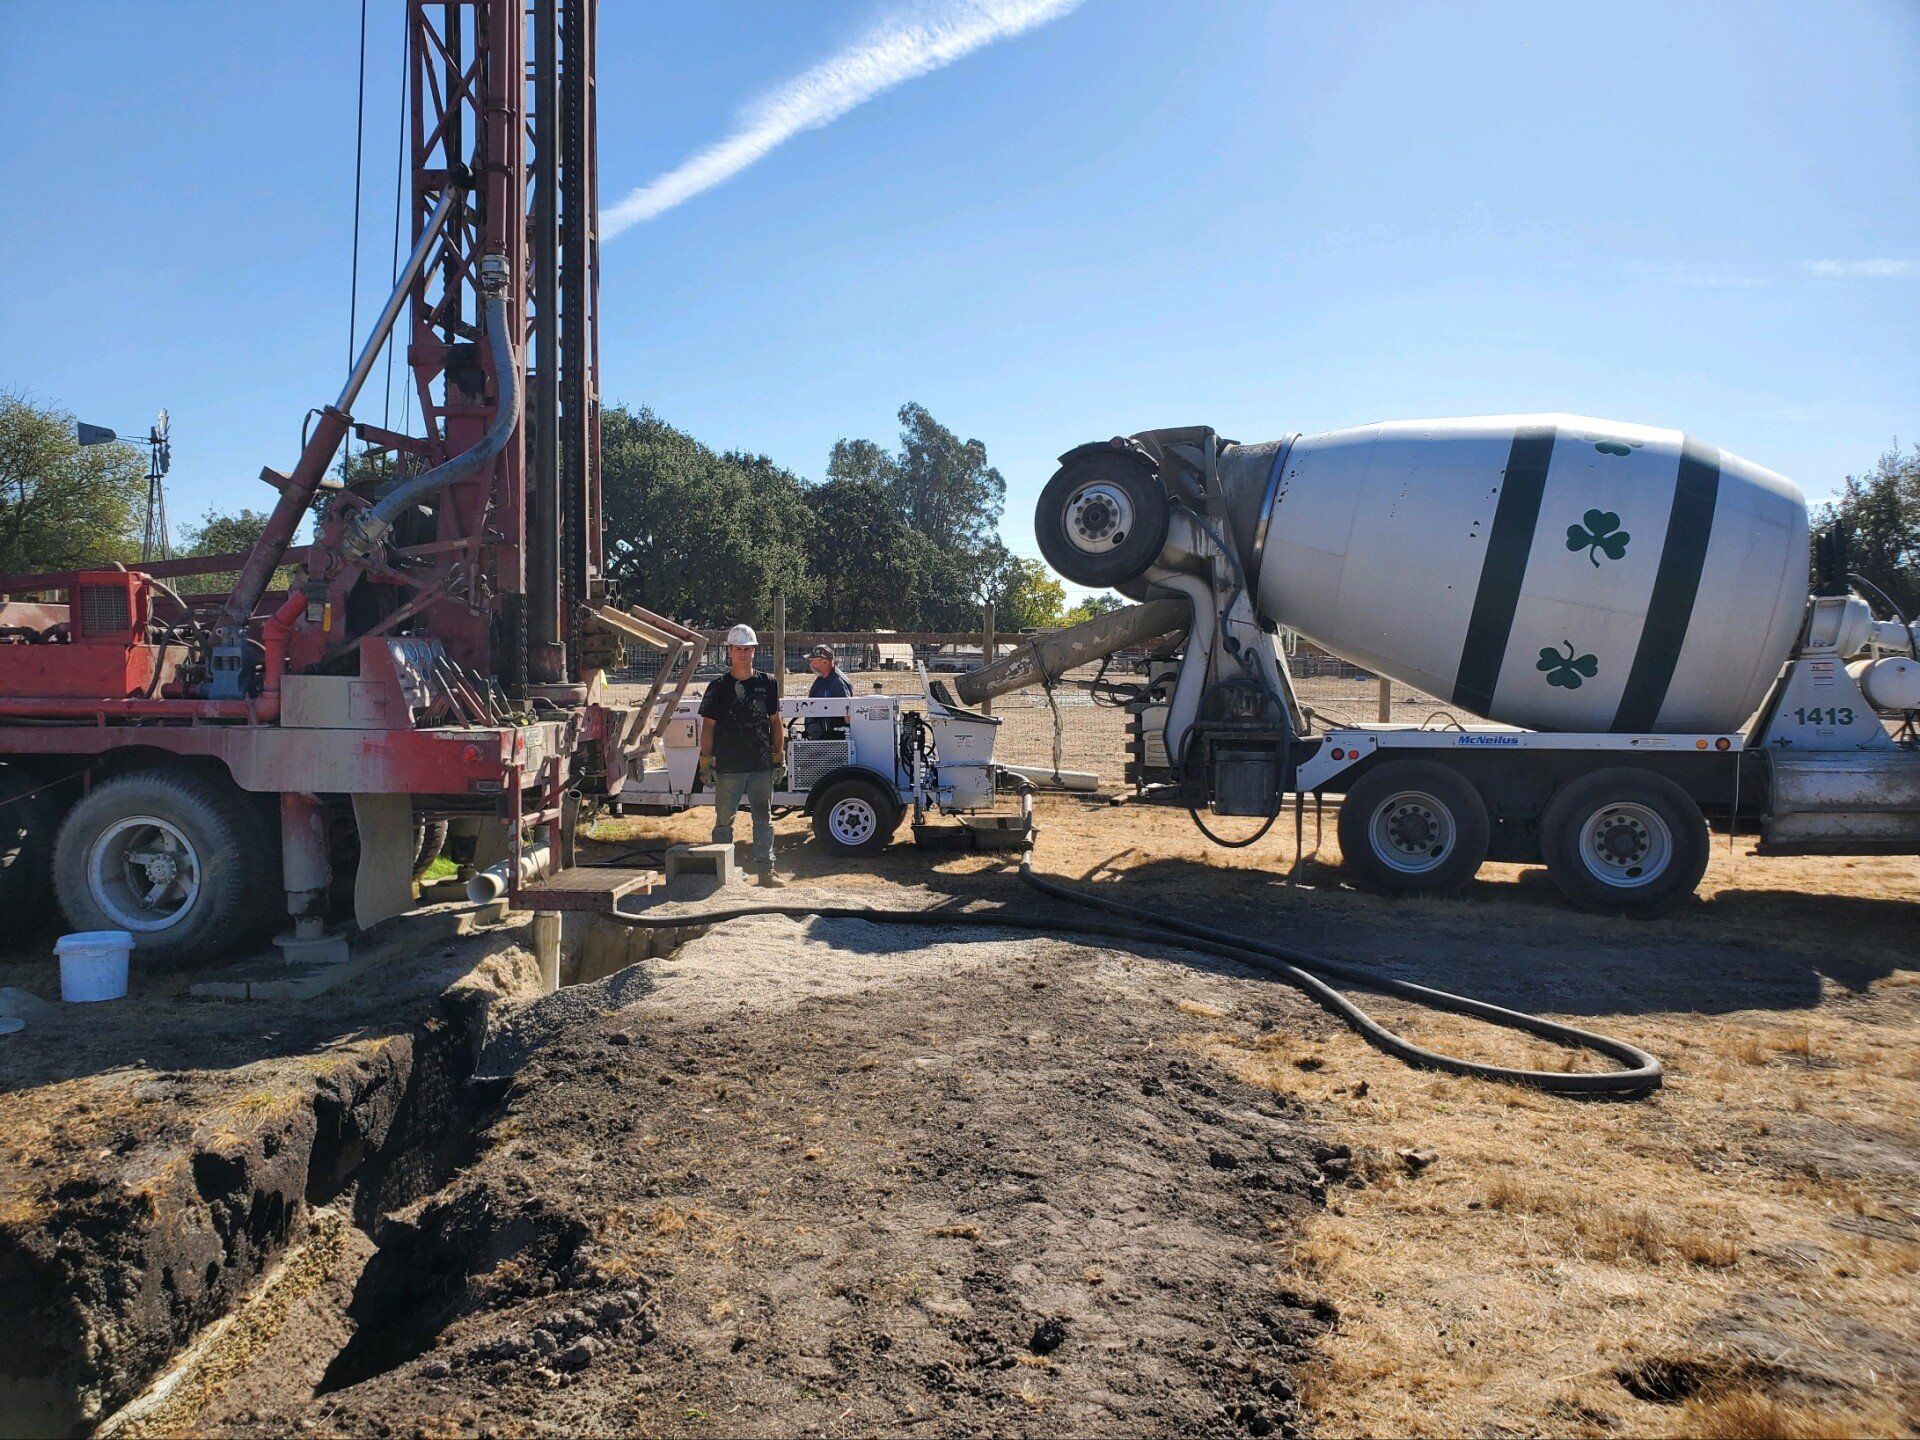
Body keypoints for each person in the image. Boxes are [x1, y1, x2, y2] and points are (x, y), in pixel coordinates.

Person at [696, 623, 784, 886]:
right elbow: (708, 726)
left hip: (760, 764)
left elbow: (775, 721)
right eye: (738, 649)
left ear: (754, 651)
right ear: (730, 651)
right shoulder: (718, 687)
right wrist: (706, 762)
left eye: (747, 649)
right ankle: (723, 874)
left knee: (763, 820)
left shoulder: (767, 684)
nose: (743, 654)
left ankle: (766, 872)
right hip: (729, 766)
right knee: (724, 822)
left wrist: (778, 757)